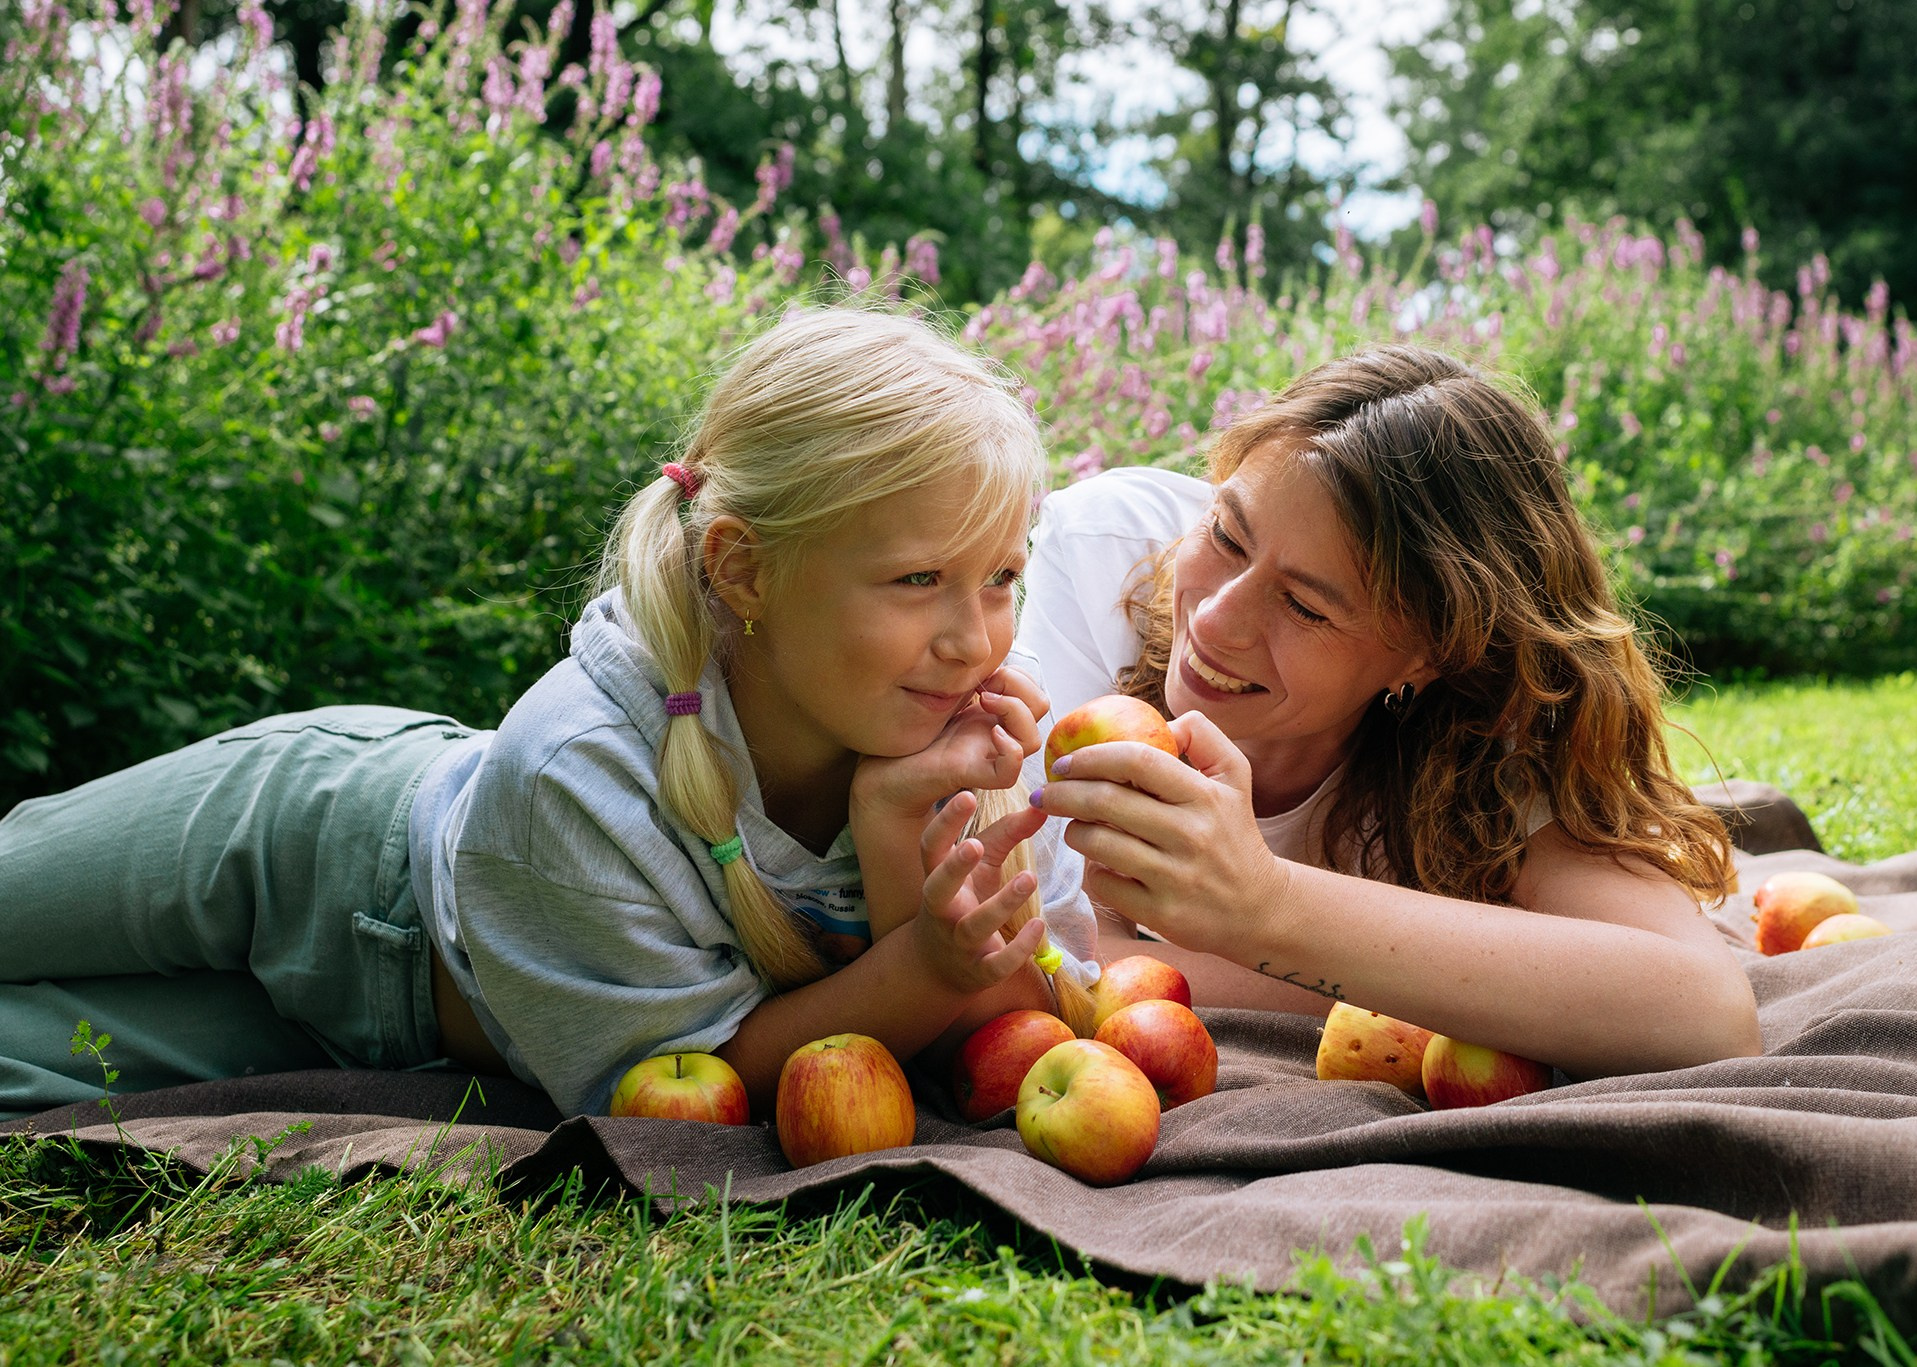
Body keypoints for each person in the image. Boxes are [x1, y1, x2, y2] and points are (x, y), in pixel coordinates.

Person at [0, 307, 1100, 1122]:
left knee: (40, 1065)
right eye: (917, 581)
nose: (974, 636)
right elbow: (757, 1055)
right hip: (309, 845)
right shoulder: (578, 760)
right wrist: (929, 964)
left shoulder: (972, 737)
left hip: (407, 1024)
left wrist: (899, 826)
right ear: (745, 571)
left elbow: (997, 1034)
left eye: (1002, 577)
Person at [1022, 345, 1761, 1080]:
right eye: (1225, 533)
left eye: (1306, 606)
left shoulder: (1486, 730)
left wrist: (1267, 908)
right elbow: (1064, 952)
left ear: (1427, 653)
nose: (1216, 620)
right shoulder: (1100, 559)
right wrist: (1459, 979)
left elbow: (1706, 1012)